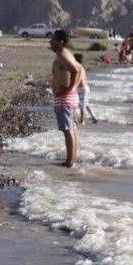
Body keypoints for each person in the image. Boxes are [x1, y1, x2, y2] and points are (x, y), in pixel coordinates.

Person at [50, 30, 83, 167]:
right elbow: (80, 68)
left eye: (53, 40)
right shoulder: (65, 54)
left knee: (67, 129)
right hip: (67, 97)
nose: (50, 42)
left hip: (65, 98)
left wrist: (70, 88)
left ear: (60, 41)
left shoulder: (63, 55)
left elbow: (76, 70)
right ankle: (72, 158)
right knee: (71, 128)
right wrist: (72, 89)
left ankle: (70, 161)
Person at [73, 53, 98, 125]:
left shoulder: (78, 67)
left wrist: (74, 86)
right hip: (85, 87)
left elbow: (78, 79)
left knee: (82, 105)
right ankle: (94, 117)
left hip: (81, 88)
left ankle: (82, 120)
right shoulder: (81, 67)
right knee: (86, 104)